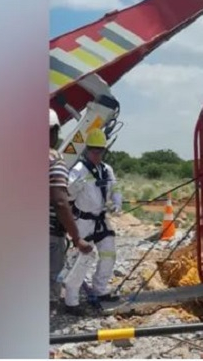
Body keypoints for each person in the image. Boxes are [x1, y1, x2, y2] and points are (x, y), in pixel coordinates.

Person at [64, 128, 120, 314]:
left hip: (101, 220)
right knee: (82, 259)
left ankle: (100, 289)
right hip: (83, 221)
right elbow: (67, 194)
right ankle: (71, 301)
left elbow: (115, 188)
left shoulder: (107, 169)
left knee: (109, 254)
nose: (97, 155)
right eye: (94, 151)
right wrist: (74, 187)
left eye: (100, 151)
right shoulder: (78, 170)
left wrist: (117, 203)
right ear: (87, 150)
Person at [49, 109, 92, 311]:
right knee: (48, 284)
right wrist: (76, 238)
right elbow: (59, 202)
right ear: (55, 131)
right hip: (48, 236)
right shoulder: (53, 160)